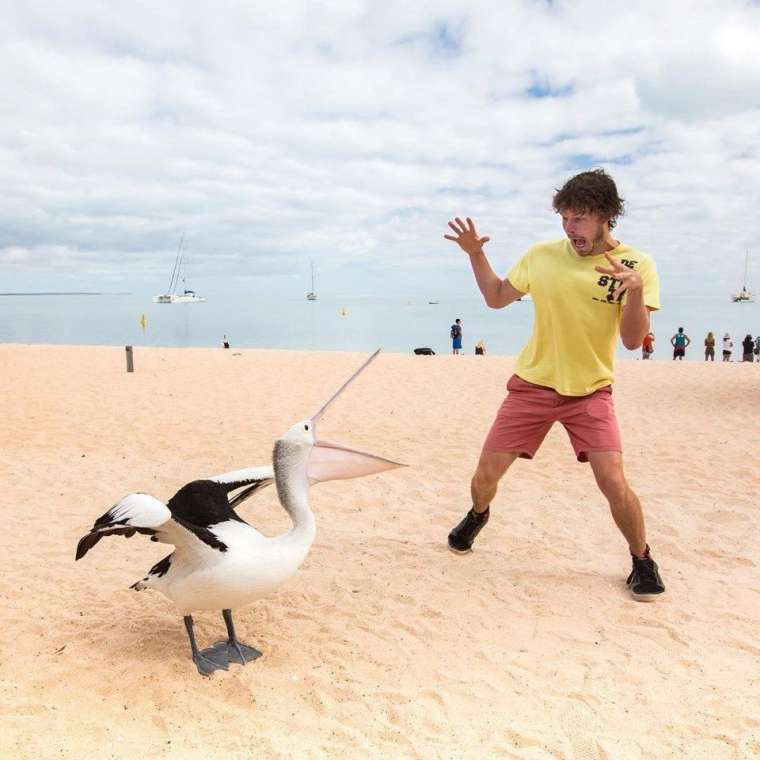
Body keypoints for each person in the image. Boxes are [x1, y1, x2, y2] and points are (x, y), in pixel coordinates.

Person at [443, 168, 665, 600]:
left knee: (613, 481)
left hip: (590, 392)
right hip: (533, 385)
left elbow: (634, 341)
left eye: (579, 218)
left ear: (605, 216)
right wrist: (474, 254)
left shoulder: (637, 265)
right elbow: (496, 297)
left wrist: (635, 291)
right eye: (564, 218)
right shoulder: (542, 256)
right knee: (484, 477)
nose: (570, 228)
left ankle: (642, 559)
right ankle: (478, 514)